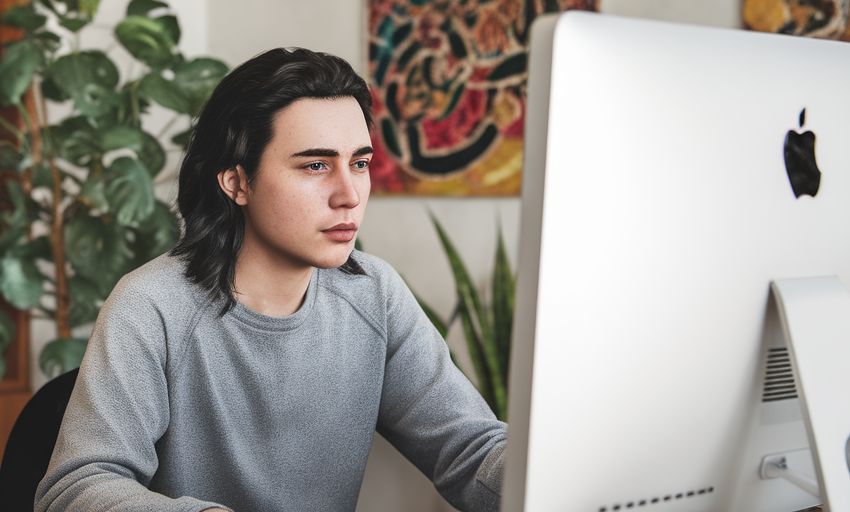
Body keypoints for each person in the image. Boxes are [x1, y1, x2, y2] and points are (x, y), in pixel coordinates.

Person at [35, 47, 507, 512]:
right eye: (315, 165)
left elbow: (471, 451)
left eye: (359, 163)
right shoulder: (151, 305)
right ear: (236, 182)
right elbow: (76, 488)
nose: (349, 195)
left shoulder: (375, 294)